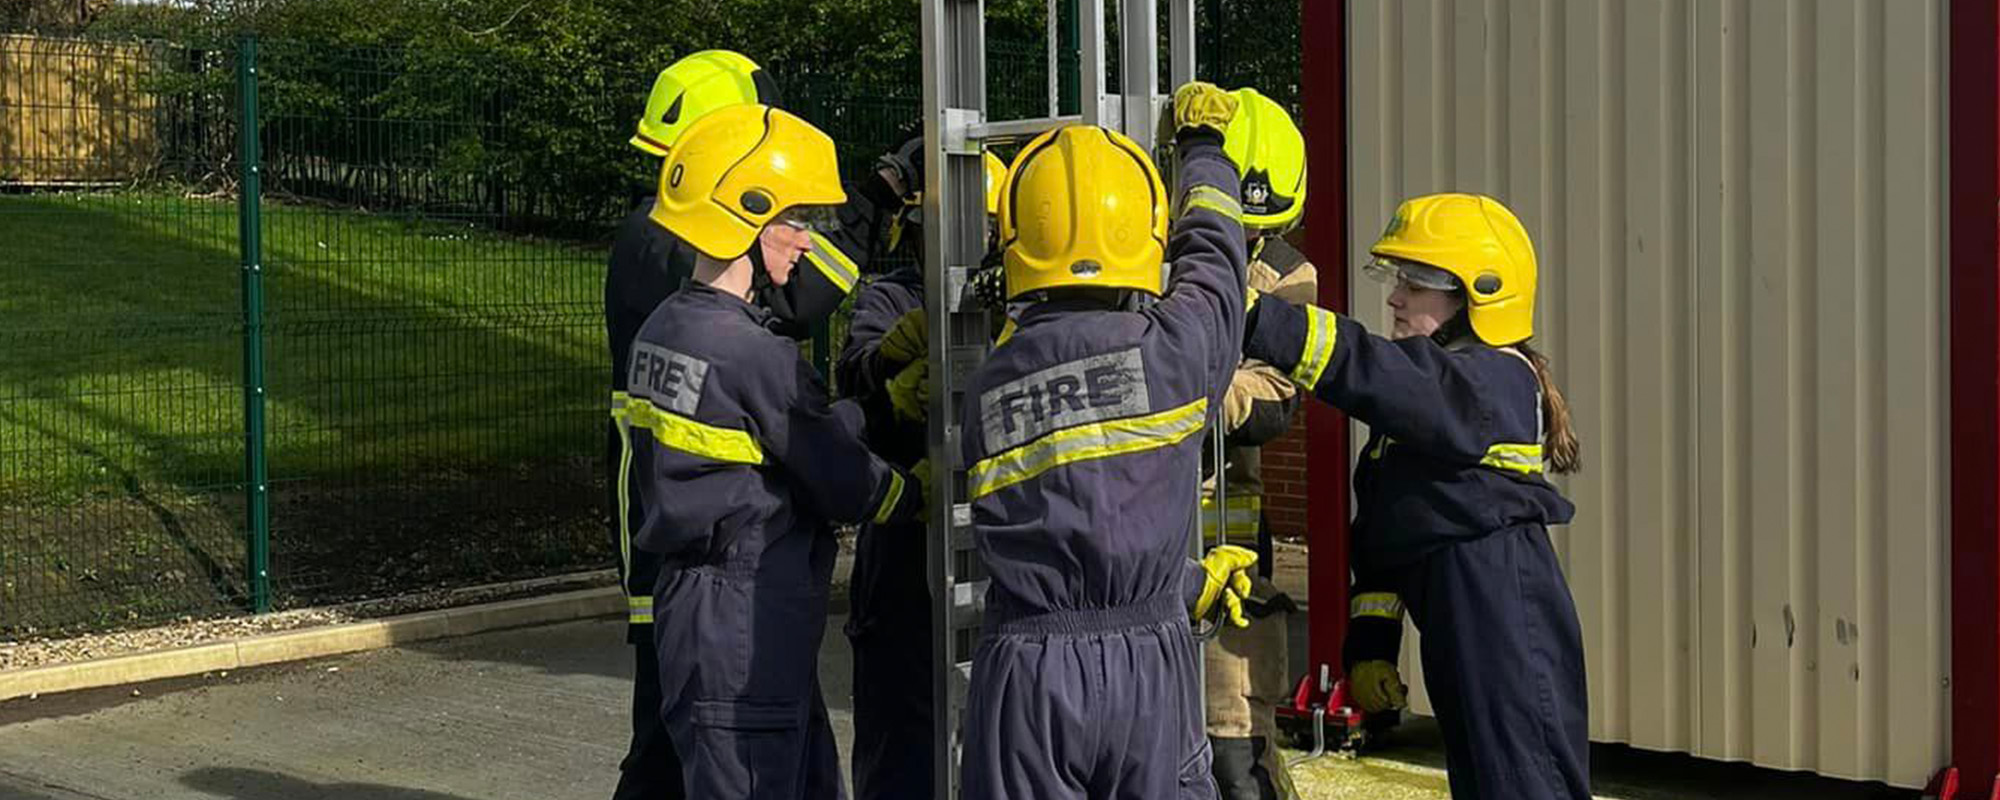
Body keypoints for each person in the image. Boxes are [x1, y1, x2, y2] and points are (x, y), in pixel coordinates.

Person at [602, 50, 911, 800]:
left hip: (699, 592)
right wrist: (902, 487)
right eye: (796, 219)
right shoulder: (747, 345)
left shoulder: (668, 320)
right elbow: (814, 452)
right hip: (743, 605)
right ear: (738, 203)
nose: (808, 238)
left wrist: (860, 409)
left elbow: (765, 430)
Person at [955, 82, 1262, 800]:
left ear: (1017, 239)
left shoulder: (990, 384)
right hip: (1148, 664)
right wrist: (1203, 152)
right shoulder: (1176, 352)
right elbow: (1217, 262)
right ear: (1146, 232)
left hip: (1025, 670)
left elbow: (1066, 512)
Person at [1238, 192, 1587, 799]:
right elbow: (1382, 535)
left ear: (1480, 293)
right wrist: (1372, 646)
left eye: (1418, 282)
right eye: (1397, 278)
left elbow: (1374, 371)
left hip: (1504, 609)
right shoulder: (1430, 399)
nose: (1396, 296)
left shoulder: (1493, 379)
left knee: (1524, 785)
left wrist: (1257, 317)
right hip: (1465, 616)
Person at [833, 149, 1006, 800]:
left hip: (991, 540)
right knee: (901, 731)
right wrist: (892, 379)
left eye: (983, 228)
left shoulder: (1019, 309)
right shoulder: (894, 297)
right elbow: (854, 380)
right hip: (906, 545)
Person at [1201, 87, 1312, 800]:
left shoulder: (1286, 268)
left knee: (1235, 752)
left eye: (1259, 232)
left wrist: (1177, 376)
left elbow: (1275, 403)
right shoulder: (1138, 248)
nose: (1245, 246)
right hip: (1134, 527)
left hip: (1227, 537)